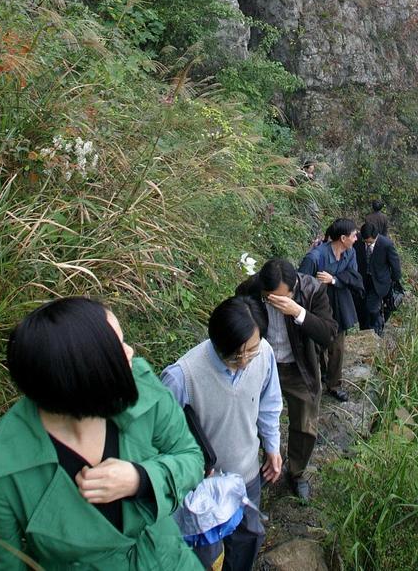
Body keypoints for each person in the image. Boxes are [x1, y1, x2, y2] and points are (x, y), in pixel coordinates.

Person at [0, 297, 204, 571]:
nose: (131, 352)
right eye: (117, 348)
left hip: (171, 561)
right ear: (83, 375)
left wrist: (141, 479)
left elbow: (191, 456)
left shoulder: (139, 383)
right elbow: (0, 565)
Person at [161, 296, 283, 571]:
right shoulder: (182, 376)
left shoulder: (263, 353)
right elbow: (158, 437)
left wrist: (272, 447)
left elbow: (269, 403)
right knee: (204, 555)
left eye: (249, 351)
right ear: (216, 339)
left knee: (247, 540)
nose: (243, 360)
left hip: (247, 475)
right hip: (202, 489)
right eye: (234, 354)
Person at [236, 258, 337, 500]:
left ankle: (297, 472)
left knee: (304, 424)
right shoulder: (251, 289)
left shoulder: (313, 289)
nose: (278, 301)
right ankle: (263, 466)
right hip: (261, 366)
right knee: (254, 420)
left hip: (299, 367)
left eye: (284, 296)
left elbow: (329, 334)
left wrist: (298, 312)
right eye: (271, 297)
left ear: (295, 288)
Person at [298, 218, 364, 402]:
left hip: (339, 305)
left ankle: (334, 385)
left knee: (338, 348)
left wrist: (334, 279)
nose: (356, 238)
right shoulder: (315, 257)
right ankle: (316, 382)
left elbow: (353, 275)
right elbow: (301, 283)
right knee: (316, 347)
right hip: (317, 307)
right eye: (353, 235)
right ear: (343, 238)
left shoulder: (350, 253)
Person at [356, 222, 403, 335]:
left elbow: (395, 264)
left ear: (376, 236)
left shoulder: (386, 244)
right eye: (365, 241)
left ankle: (376, 330)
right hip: (362, 279)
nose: (367, 243)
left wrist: (394, 280)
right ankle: (365, 330)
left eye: (370, 241)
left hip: (380, 281)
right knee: (362, 308)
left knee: (371, 308)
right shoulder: (357, 240)